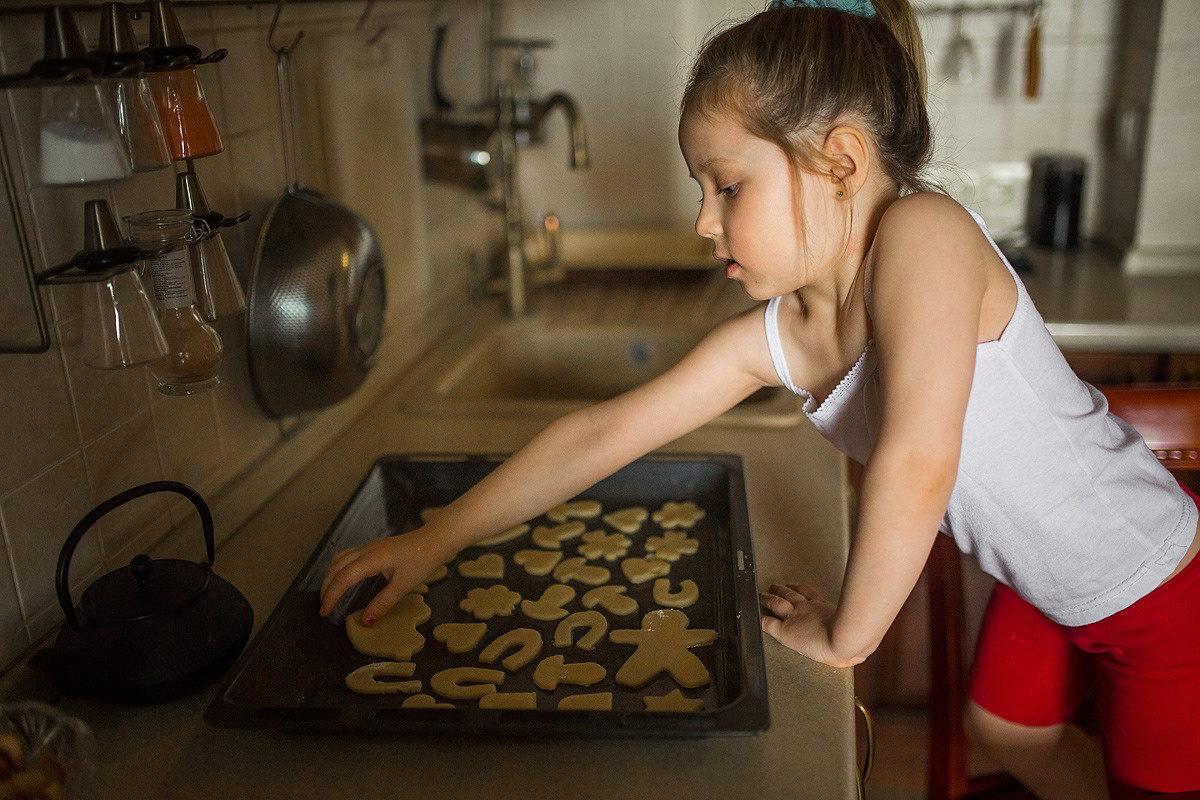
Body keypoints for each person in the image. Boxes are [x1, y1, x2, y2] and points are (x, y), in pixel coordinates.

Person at [321, 1, 1200, 797]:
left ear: (841, 163)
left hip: (1161, 591)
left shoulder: (925, 237)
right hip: (1049, 588)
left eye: (728, 187)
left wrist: (844, 637)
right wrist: (438, 537)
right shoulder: (785, 332)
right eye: (702, 190)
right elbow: (606, 432)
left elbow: (919, 461)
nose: (704, 220)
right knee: (1005, 732)